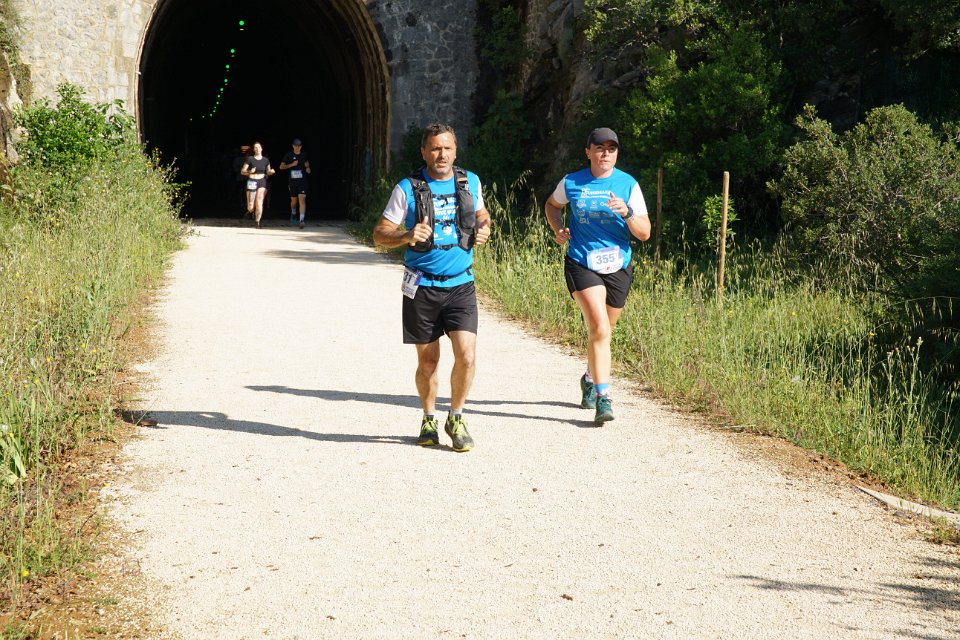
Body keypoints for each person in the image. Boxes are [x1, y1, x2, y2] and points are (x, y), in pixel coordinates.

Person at [373, 123, 492, 452]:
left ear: (455, 151)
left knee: (467, 355)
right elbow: (380, 233)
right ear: (424, 152)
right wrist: (407, 235)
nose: (442, 154)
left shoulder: (470, 182)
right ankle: (428, 418)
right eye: (435, 148)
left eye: (447, 148)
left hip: (461, 284)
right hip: (422, 286)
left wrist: (484, 227)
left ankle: (456, 417)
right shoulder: (407, 188)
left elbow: (482, 214)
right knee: (428, 362)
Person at [543, 127, 651, 425]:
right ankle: (604, 397)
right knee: (600, 328)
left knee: (605, 331)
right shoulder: (572, 181)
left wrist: (627, 212)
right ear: (588, 151)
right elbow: (552, 205)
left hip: (618, 265)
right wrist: (558, 229)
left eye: (611, 148)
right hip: (582, 262)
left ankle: (590, 377)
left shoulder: (628, 184)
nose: (605, 153)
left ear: (617, 153)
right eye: (600, 148)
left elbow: (644, 233)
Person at [279, 138, 312, 228]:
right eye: (296, 146)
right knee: (294, 201)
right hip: (293, 182)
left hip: (302, 182)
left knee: (302, 199)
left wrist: (308, 168)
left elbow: (306, 163)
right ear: (293, 146)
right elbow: (281, 167)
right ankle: (293, 212)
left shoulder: (304, 155)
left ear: (301, 146)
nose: (297, 147)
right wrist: (292, 164)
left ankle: (301, 220)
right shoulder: (289, 155)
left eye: (299, 146)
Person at [241, 142, 275, 228]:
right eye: (255, 147)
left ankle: (258, 222)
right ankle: (250, 211)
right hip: (252, 181)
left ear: (261, 149)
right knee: (251, 206)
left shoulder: (266, 160)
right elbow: (242, 171)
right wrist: (250, 171)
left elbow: (268, 171)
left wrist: (271, 172)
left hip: (262, 181)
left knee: (259, 201)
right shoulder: (250, 159)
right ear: (253, 149)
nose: (257, 149)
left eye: (259, 147)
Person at [232, 145, 252, 217]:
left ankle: (246, 204)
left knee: (247, 191)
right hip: (240, 178)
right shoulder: (237, 159)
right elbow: (235, 169)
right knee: (240, 191)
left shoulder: (250, 159)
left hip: (247, 178)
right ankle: (241, 203)